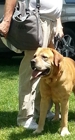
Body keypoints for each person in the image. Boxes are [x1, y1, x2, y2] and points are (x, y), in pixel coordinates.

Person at [0, 0, 64, 129]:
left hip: (51, 23)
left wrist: (58, 22)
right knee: (31, 73)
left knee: (46, 72)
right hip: (37, 21)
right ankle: (25, 118)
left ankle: (42, 111)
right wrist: (6, 21)